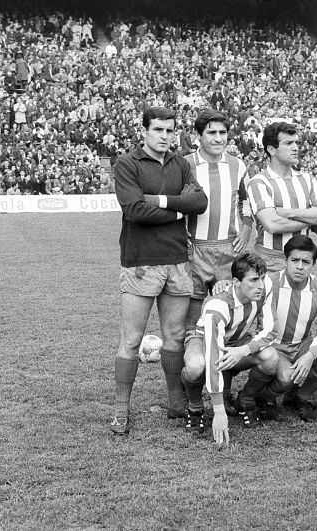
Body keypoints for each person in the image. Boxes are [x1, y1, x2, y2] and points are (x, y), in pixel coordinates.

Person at [111, 106, 208, 435]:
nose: (165, 136)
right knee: (131, 340)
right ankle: (120, 409)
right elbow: (135, 210)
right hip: (141, 262)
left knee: (176, 337)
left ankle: (175, 402)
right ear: (145, 131)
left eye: (170, 131)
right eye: (158, 130)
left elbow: (199, 202)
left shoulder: (181, 164)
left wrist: (163, 202)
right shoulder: (127, 163)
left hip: (178, 262)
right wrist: (179, 210)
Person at [180, 253, 279, 447]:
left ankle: (246, 399)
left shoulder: (264, 289)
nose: (260, 285)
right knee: (196, 366)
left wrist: (243, 350)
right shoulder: (217, 305)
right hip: (203, 340)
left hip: (237, 343)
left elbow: (270, 330)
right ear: (236, 281)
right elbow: (213, 355)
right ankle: (195, 406)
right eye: (253, 280)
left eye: (262, 278)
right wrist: (218, 411)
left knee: (270, 358)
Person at [181, 109, 252, 332]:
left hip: (228, 249)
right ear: (198, 135)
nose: (218, 138)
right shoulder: (185, 165)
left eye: (223, 132)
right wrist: (180, 234)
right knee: (190, 319)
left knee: (229, 314)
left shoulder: (237, 165)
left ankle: (224, 364)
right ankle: (192, 365)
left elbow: (246, 201)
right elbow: (177, 204)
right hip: (195, 249)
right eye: (211, 132)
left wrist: (247, 229)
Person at [262, 235, 317, 422]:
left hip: (301, 344)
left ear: (313, 264)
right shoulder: (268, 283)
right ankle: (264, 397)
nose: (300, 266)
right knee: (286, 378)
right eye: (295, 260)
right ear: (285, 260)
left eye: (306, 261)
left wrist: (310, 355)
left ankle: (301, 397)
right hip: (273, 347)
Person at [247, 121, 317, 272]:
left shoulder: (307, 179)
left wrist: (287, 212)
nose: (295, 148)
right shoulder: (259, 182)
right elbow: (273, 224)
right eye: (288, 143)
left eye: (296, 143)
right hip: (270, 260)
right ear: (271, 149)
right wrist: (310, 219)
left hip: (302, 259)